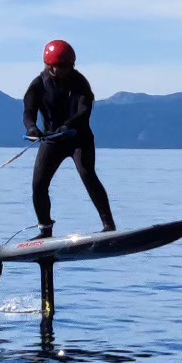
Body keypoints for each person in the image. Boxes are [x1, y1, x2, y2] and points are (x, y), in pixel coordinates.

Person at [23, 39, 116, 238]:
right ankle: (45, 230)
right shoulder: (38, 85)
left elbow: (84, 111)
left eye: (70, 65)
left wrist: (68, 126)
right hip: (52, 140)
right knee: (38, 185)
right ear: (50, 66)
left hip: (79, 138)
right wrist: (32, 128)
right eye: (63, 66)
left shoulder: (80, 82)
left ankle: (109, 226)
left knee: (87, 175)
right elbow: (28, 111)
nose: (68, 69)